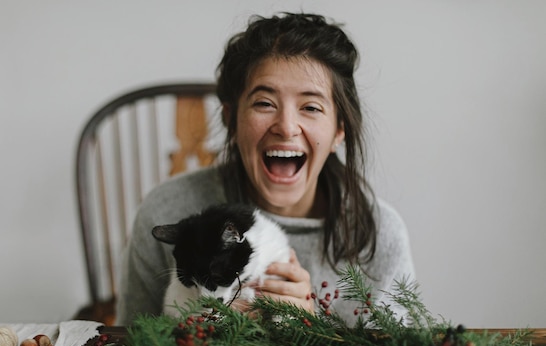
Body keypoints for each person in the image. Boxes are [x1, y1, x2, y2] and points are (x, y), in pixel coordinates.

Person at [116, 12, 415, 326]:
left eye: (311, 107)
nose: (286, 127)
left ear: (339, 130)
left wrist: (310, 329)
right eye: (264, 103)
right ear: (231, 119)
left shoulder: (380, 235)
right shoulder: (167, 209)